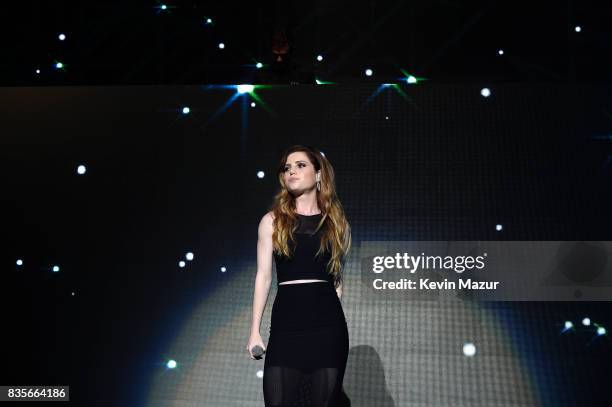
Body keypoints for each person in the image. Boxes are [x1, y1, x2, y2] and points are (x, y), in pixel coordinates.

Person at [247, 145, 352, 406]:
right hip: (286, 328)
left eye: (300, 165)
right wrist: (254, 331)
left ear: (318, 175)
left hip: (327, 328)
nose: (291, 170)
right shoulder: (272, 221)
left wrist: (329, 312)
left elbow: (336, 278)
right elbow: (263, 276)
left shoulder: (336, 223)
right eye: (287, 168)